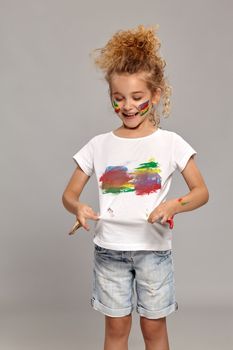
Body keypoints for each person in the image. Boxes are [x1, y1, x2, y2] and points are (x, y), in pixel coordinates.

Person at [62, 24, 209, 350]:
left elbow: (201, 191)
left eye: (137, 97)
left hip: (153, 255)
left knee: (154, 332)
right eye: (118, 98)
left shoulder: (170, 143)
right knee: (115, 332)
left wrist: (173, 205)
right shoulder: (98, 145)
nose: (127, 106)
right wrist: (79, 208)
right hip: (109, 252)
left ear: (155, 95)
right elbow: (69, 194)